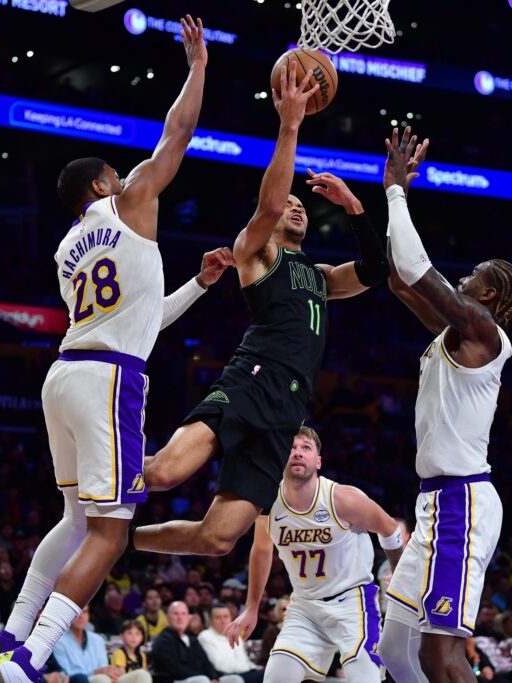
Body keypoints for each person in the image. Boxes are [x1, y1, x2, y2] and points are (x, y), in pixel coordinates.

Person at [0, 17, 225, 683]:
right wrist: (198, 66)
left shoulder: (68, 249)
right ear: (100, 185)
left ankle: (7, 636)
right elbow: (177, 133)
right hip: (109, 380)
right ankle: (32, 658)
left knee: (73, 516)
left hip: (65, 372)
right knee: (110, 532)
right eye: (115, 173)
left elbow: (136, 323)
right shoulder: (131, 198)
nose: (125, 176)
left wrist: (199, 287)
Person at [131, 57, 390, 565]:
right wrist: (289, 125)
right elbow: (269, 206)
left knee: (219, 539)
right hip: (250, 381)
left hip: (287, 410)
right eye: (288, 202)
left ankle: (124, 541)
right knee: (161, 474)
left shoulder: (321, 277)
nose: (295, 207)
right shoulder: (257, 254)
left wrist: (355, 207)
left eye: (302, 205)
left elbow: (377, 268)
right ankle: (86, 491)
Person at [377, 127, 512, 683]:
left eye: (472, 278)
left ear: (486, 295)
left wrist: (397, 191)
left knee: (442, 656)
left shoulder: (484, 332)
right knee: (394, 648)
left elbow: (418, 270)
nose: (462, 280)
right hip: (433, 505)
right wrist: (357, 206)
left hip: (462, 502)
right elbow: (398, 278)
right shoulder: (452, 336)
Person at [225, 427, 402, 682]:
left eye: (306, 448)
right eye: (291, 448)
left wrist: (398, 572)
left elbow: (390, 528)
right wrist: (251, 608)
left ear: (318, 461)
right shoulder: (268, 501)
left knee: (365, 677)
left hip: (352, 602)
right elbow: (261, 551)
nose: (297, 453)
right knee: (276, 677)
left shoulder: (342, 498)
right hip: (305, 606)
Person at [150, 602, 242, 683]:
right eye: (176, 614)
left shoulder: (192, 640)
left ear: (188, 617)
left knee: (234, 679)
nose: (180, 618)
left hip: (199, 678)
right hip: (175, 680)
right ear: (167, 617)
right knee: (201, 680)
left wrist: (213, 677)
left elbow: (206, 663)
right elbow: (175, 669)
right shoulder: (162, 640)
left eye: (183, 614)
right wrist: (206, 678)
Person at [51, 609, 122, 683]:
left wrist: (111, 673)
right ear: (68, 615)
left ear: (88, 615)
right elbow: (65, 673)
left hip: (100, 678)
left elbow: (103, 667)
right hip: (76, 680)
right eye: (77, 613)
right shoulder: (59, 641)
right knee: (101, 679)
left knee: (132, 676)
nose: (81, 616)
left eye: (85, 612)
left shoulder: (98, 639)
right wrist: (95, 672)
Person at [199, 603, 261, 683]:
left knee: (267, 672)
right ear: (210, 621)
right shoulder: (205, 636)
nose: (223, 621)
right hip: (224, 676)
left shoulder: (236, 635)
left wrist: (253, 667)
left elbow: (244, 660)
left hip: (244, 672)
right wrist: (249, 667)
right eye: (218, 618)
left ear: (231, 618)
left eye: (226, 617)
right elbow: (220, 666)